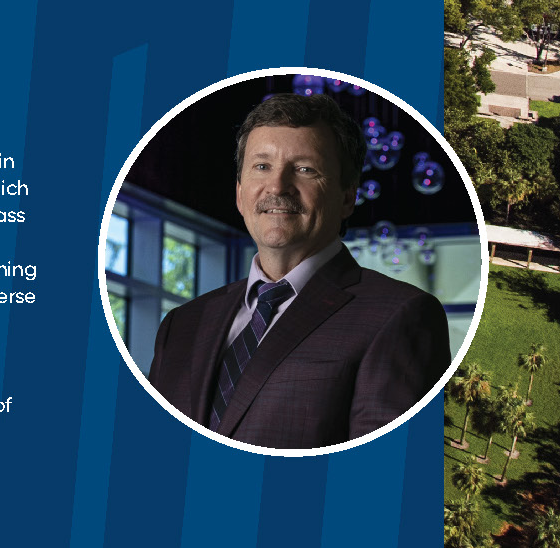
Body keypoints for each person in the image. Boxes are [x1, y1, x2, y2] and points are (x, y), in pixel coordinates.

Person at [148, 93, 452, 450]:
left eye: (305, 169)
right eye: (262, 166)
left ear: (346, 197)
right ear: (240, 193)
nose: (277, 187)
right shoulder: (181, 325)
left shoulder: (402, 316)